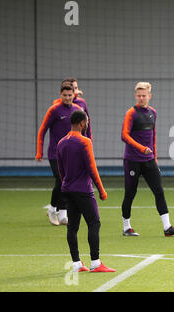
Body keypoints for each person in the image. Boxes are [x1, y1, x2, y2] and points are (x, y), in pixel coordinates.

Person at [120, 82, 174, 237]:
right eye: (139, 96)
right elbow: (124, 135)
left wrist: (154, 158)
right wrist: (141, 148)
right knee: (130, 193)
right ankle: (126, 227)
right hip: (132, 160)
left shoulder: (152, 113)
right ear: (135, 96)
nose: (142, 98)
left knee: (159, 191)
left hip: (149, 160)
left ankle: (167, 227)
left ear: (149, 96)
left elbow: (153, 137)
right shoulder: (131, 113)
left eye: (144, 95)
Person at [57, 110, 115, 272]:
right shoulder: (85, 142)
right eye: (87, 121)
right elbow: (92, 168)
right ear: (82, 123)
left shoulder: (61, 142)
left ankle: (76, 263)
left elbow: (60, 170)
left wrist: (66, 184)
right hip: (83, 190)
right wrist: (101, 190)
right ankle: (95, 262)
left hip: (67, 189)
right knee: (94, 223)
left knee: (72, 227)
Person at [36, 82, 83, 226]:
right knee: (61, 179)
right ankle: (52, 209)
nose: (68, 98)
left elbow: (83, 129)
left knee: (66, 181)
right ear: (60, 95)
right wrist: (39, 151)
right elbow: (42, 130)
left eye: (70, 95)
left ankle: (63, 213)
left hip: (71, 153)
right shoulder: (54, 110)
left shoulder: (77, 109)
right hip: (55, 153)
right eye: (65, 95)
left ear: (74, 95)